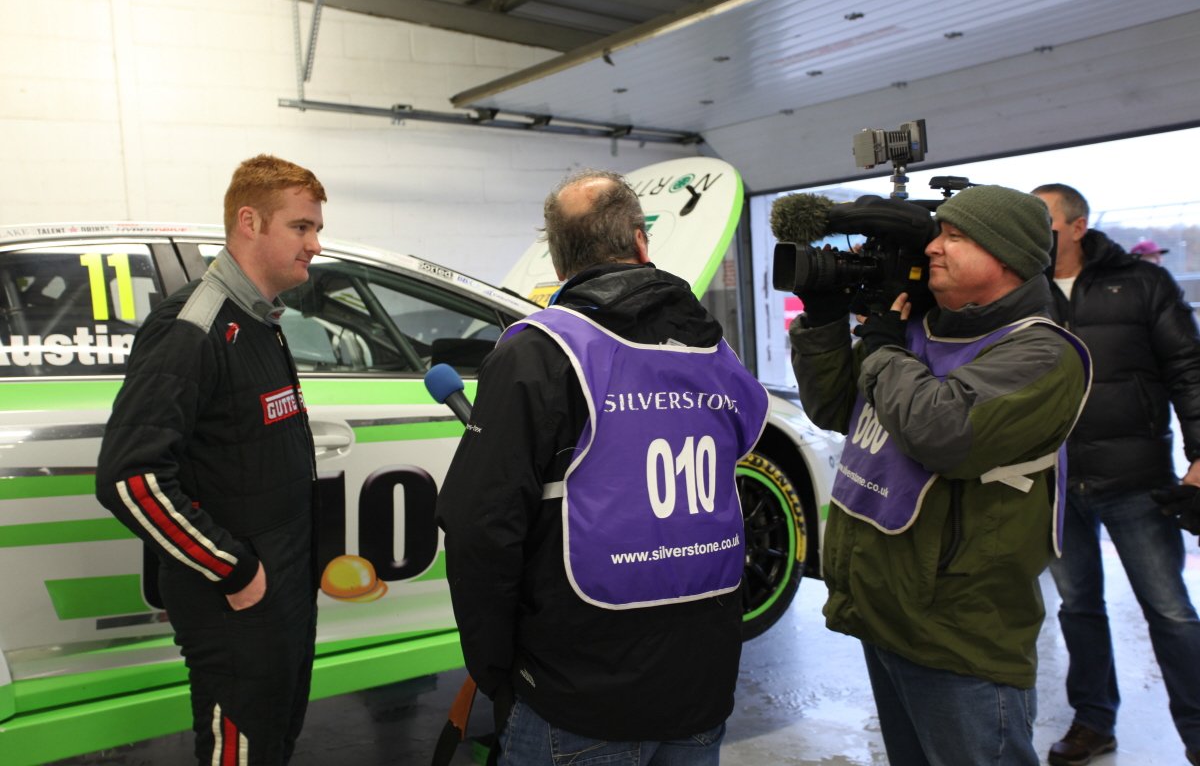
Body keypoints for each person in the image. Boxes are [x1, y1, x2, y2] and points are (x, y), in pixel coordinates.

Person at [435, 169, 769, 765]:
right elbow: (744, 440)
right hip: (703, 685)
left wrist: (496, 669)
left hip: (576, 699)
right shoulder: (715, 351)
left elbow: (478, 528)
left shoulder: (538, 351)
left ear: (558, 260)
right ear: (641, 241)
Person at [789, 185, 1090, 765]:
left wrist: (881, 350)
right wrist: (823, 321)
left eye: (955, 237)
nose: (933, 247)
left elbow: (944, 433)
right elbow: (835, 408)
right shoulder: (918, 328)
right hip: (886, 609)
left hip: (958, 632)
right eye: (937, 233)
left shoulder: (1042, 353)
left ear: (1007, 256)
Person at [96, 154, 326, 765]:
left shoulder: (259, 320)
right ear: (249, 222)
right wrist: (233, 571)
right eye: (301, 227)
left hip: (281, 590)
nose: (315, 244)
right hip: (236, 599)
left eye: (315, 228)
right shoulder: (191, 328)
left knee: (272, 742)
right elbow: (130, 478)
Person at [1031, 182, 1200, 766]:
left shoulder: (1142, 283)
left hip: (1136, 480)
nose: (1035, 234)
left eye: (1046, 222)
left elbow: (1188, 369)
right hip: (1055, 484)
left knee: (1170, 610)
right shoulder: (1022, 293)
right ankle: (1093, 722)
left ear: (1078, 226)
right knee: (1077, 608)